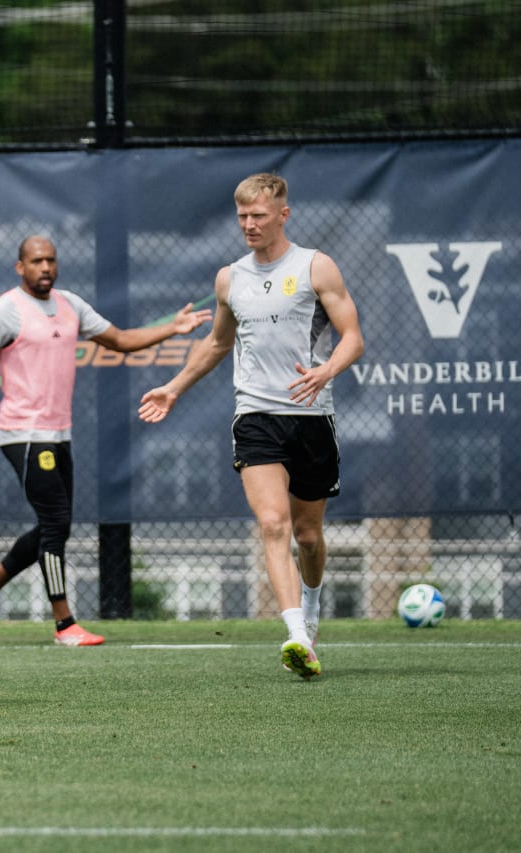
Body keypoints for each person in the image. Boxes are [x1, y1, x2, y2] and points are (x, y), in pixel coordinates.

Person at [138, 173, 364, 679]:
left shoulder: (315, 266)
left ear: (283, 214)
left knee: (307, 535)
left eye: (259, 215)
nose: (250, 225)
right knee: (272, 524)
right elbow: (217, 344)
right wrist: (173, 387)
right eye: (242, 216)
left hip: (311, 416)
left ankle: (310, 604)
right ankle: (295, 636)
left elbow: (353, 337)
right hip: (255, 416)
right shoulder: (230, 278)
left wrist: (329, 369)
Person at [0, 236, 211, 646]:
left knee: (52, 526)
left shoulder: (71, 305)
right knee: (56, 523)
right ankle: (64, 624)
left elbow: (122, 341)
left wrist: (174, 328)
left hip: (59, 433)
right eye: (36, 261)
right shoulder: (4, 311)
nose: (45, 267)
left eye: (51, 260)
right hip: (23, 433)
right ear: (20, 267)